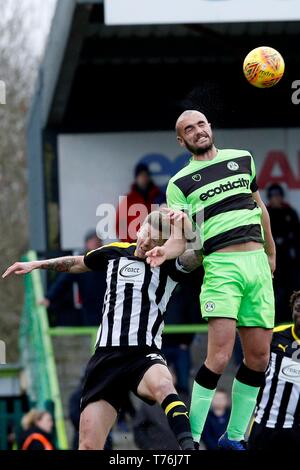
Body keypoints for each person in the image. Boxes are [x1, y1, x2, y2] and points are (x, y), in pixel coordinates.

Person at [3, 211, 200, 451]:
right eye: (146, 234)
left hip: (143, 353)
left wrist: (187, 226)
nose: (147, 242)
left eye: (156, 240)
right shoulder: (115, 252)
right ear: (139, 229)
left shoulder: (169, 265)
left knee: (164, 385)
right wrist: (37, 264)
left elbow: (198, 253)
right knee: (88, 445)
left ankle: (189, 448)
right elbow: (77, 263)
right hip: (106, 358)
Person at [146, 110, 276, 450]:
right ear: (181, 140)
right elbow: (180, 237)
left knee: (259, 358)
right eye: (189, 129)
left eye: (201, 124)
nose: (198, 131)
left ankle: (234, 438)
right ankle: (193, 441)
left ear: (210, 127)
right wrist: (166, 253)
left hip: (257, 265)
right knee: (218, 357)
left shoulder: (242, 159)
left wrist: (271, 252)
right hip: (221, 267)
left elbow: (259, 208)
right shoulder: (179, 183)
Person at [248, 290, 300, 450]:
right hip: (264, 423)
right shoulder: (275, 335)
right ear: (292, 309)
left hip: (295, 429)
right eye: (298, 308)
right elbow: (251, 368)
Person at [40, 230, 106, 326]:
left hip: (108, 308)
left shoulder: (108, 262)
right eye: (94, 242)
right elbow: (62, 282)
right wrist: (49, 298)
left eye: (98, 242)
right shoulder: (81, 262)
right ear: (87, 244)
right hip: (89, 311)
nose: (96, 244)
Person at [266, 183, 300, 323]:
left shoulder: (290, 213)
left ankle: (291, 320)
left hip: (289, 262)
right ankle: (274, 321)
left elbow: (297, 237)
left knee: (291, 291)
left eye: (278, 195)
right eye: (273, 196)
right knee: (273, 293)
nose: (276, 199)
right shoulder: (265, 213)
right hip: (271, 261)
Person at [116, 162, 164, 242]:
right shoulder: (128, 199)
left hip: (155, 244)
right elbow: (120, 226)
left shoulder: (159, 196)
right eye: (141, 175)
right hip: (133, 245)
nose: (144, 178)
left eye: (146, 175)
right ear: (136, 178)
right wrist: (129, 244)